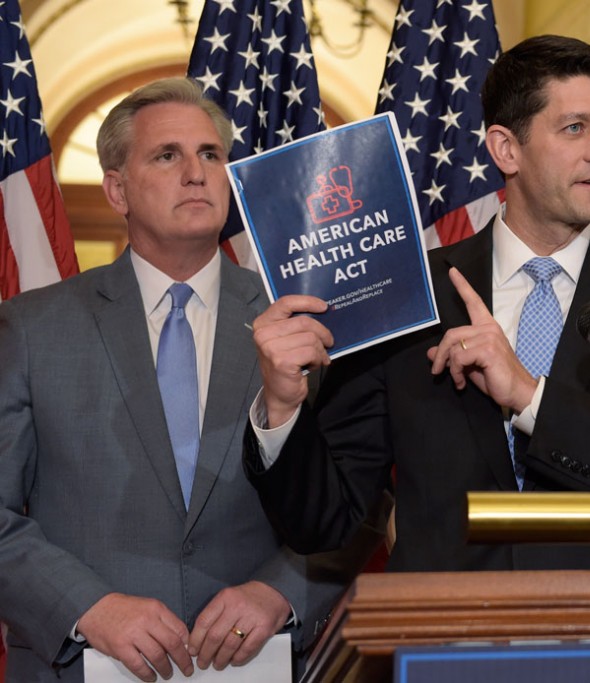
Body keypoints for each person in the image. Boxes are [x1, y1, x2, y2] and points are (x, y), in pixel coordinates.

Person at [243, 35, 590, 571]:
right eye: (575, 128)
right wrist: (284, 409)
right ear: (506, 149)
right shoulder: (409, 293)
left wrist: (529, 397)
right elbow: (324, 522)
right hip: (440, 639)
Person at [0, 78, 362, 682]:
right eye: (167, 156)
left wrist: (279, 593)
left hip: (261, 665)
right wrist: (87, 608)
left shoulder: (306, 322)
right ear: (117, 189)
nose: (196, 173)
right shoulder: (31, 328)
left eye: (211, 155)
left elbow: (360, 498)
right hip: (79, 667)